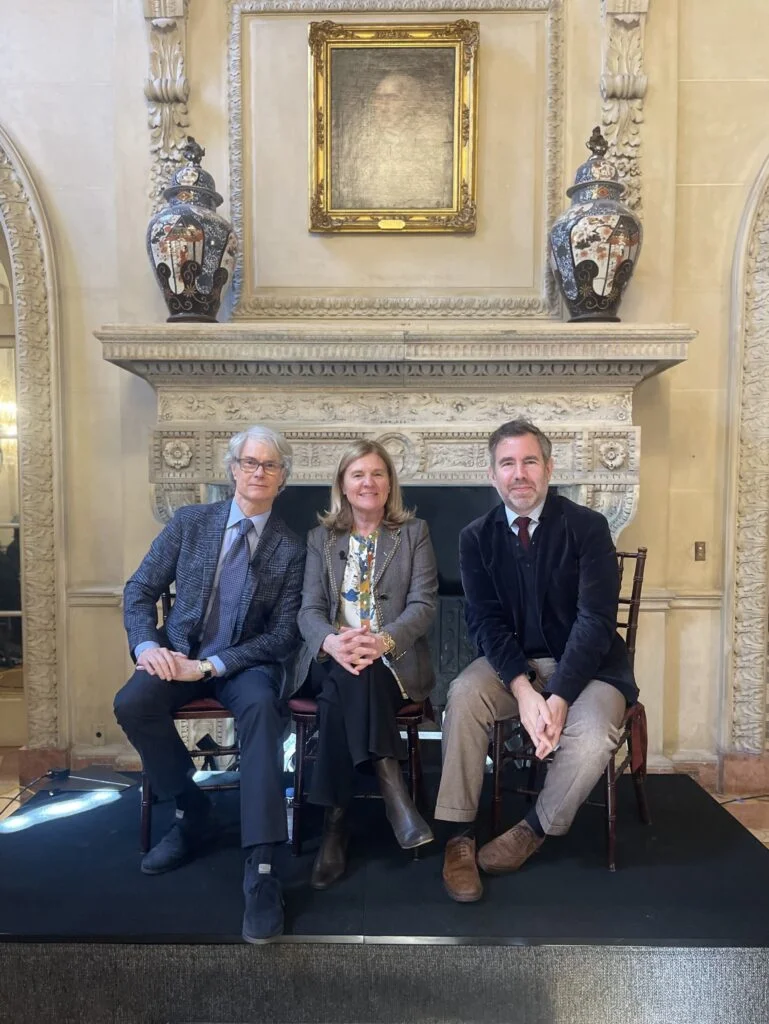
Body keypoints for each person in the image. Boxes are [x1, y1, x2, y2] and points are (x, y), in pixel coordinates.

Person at [114, 425, 305, 942]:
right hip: (176, 655)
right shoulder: (190, 522)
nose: (257, 473)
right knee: (132, 703)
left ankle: (263, 869)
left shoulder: (292, 548)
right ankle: (193, 811)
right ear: (232, 468)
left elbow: (284, 634)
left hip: (244, 667)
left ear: (283, 478)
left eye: (269, 466)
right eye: (249, 462)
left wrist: (214, 667)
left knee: (264, 712)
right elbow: (139, 589)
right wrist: (147, 647)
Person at [435, 418, 638, 903]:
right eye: (508, 463)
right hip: (511, 666)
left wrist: (560, 695)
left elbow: (594, 622)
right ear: (493, 475)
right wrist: (525, 691)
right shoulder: (475, 537)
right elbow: (484, 623)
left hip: (589, 669)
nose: (519, 473)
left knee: (593, 734)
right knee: (463, 695)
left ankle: (534, 827)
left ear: (548, 468)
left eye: (529, 461)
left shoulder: (587, 527)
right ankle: (459, 835)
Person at [294, 439, 438, 889]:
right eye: (358, 474)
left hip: (390, 660)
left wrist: (382, 641)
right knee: (348, 669)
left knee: (351, 681)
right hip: (330, 653)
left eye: (377, 473)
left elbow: (425, 604)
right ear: (342, 483)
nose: (368, 482)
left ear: (390, 483)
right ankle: (394, 792)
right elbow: (308, 610)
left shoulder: (414, 533)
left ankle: (334, 827)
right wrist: (334, 642)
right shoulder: (321, 538)